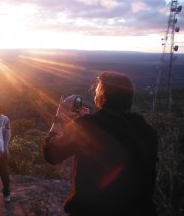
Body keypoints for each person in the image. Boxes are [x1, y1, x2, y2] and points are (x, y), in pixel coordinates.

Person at [42, 71, 158, 216]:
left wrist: (60, 116)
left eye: (97, 92)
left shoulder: (86, 126)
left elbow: (50, 154)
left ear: (101, 96)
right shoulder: (148, 132)